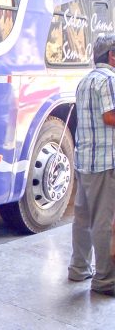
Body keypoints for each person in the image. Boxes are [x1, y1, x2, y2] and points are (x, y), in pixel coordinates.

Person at [68, 33, 115, 296]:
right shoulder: (109, 79)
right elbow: (110, 116)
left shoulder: (85, 80)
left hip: (84, 160)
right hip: (104, 161)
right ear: (111, 55)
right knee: (104, 221)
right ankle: (106, 281)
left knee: (82, 218)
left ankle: (78, 269)